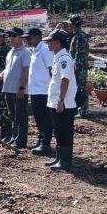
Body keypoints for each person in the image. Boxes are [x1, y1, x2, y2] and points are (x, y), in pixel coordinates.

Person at [44, 29, 78, 170]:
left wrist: (61, 100)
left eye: (50, 41)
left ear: (57, 42)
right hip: (57, 102)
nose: (48, 44)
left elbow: (65, 80)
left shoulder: (64, 59)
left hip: (64, 104)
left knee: (64, 131)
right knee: (58, 131)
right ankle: (59, 157)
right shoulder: (58, 57)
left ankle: (65, 161)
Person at [0, 27, 31, 148]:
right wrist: (1, 75)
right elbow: (8, 68)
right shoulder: (11, 52)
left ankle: (20, 142)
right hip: (8, 89)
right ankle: (14, 138)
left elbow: (27, 71)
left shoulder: (26, 53)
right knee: (12, 115)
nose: (10, 38)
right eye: (9, 36)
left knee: (20, 116)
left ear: (21, 37)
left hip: (19, 90)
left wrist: (22, 88)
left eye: (13, 36)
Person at [26, 28, 54, 156]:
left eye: (29, 38)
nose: (27, 40)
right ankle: (41, 139)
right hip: (35, 90)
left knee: (45, 118)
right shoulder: (35, 50)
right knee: (38, 118)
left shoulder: (45, 49)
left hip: (44, 91)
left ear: (37, 37)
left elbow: (51, 70)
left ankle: (46, 143)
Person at [66, 14, 90, 117]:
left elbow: (79, 55)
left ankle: (84, 111)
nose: (69, 26)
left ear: (73, 24)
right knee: (78, 88)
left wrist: (74, 67)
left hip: (79, 68)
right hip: (77, 66)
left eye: (69, 24)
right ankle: (79, 109)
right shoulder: (77, 35)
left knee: (81, 88)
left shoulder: (79, 36)